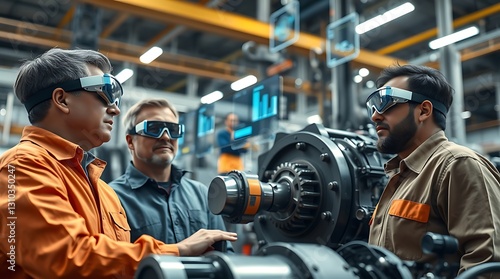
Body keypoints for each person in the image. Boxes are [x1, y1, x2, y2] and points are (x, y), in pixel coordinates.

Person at [0, 48, 236, 279]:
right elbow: (67, 257)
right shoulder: (22, 166)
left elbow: (116, 263)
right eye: (104, 94)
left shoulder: (102, 190)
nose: (114, 109)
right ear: (62, 99)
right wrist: (178, 251)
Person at [366, 64, 500, 275]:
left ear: (424, 111)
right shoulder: (400, 176)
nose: (375, 116)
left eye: (386, 103)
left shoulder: (457, 165)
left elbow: (486, 264)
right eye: (372, 107)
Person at [109, 98, 232, 252]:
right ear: (130, 141)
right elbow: (113, 262)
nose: (166, 137)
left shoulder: (201, 194)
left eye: (173, 130)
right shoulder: (112, 198)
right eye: (154, 128)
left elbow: (225, 254)